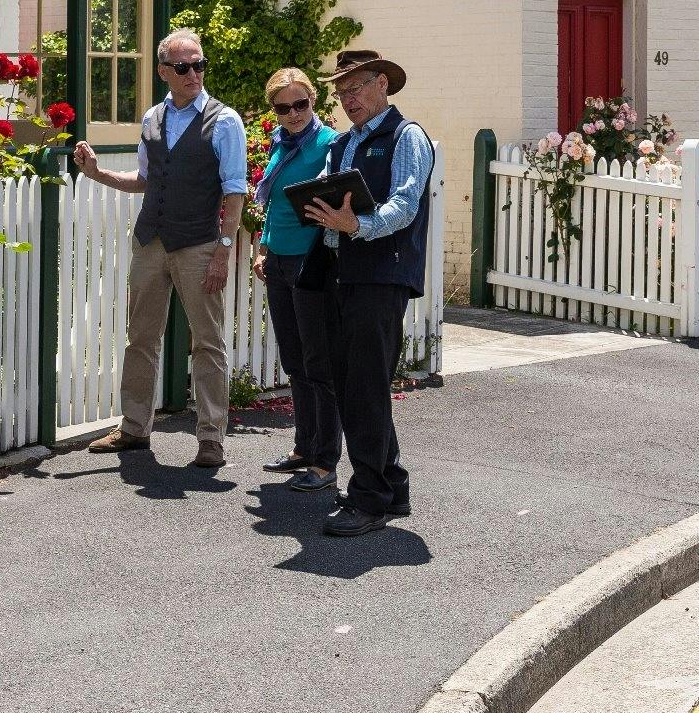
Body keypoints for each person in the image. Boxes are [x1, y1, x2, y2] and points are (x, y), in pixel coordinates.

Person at [72, 29, 250, 468]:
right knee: (141, 338)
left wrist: (224, 249)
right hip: (151, 240)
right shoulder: (153, 117)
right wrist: (96, 174)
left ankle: (211, 438)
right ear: (164, 71)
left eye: (200, 64)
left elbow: (234, 191)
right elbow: (146, 180)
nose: (195, 73)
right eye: (184, 67)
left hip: (199, 243)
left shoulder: (224, 121)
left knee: (207, 342)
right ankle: (134, 428)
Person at [298, 49, 433, 537]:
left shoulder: (406, 136)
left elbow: (405, 203)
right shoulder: (343, 143)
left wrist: (357, 225)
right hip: (343, 273)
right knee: (357, 383)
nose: (346, 99)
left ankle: (369, 499)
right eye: (340, 92)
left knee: (363, 387)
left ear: (383, 84)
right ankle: (392, 486)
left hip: (381, 276)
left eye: (354, 88)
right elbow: (329, 194)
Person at [250, 68, 343, 494]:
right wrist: (263, 248)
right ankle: (304, 449)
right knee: (294, 358)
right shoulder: (280, 145)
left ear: (313, 102)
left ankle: (326, 462)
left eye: (300, 104)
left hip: (312, 259)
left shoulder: (330, 145)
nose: (293, 114)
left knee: (319, 361)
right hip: (279, 259)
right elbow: (275, 207)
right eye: (283, 107)